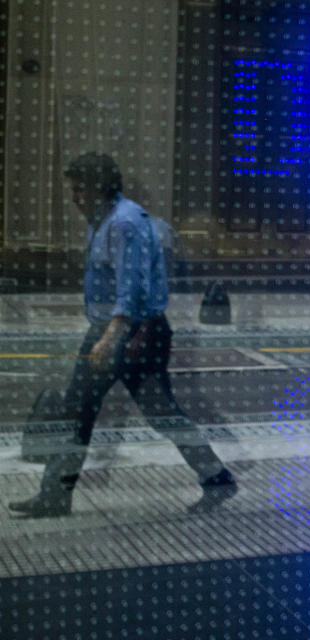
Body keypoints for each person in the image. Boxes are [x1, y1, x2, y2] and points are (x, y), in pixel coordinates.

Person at [9, 152, 236, 517]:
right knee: (145, 412)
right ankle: (215, 475)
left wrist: (113, 338)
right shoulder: (102, 220)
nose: (74, 198)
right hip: (119, 331)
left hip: (130, 334)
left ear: (99, 189)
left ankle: (55, 495)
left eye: (79, 190)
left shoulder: (124, 224)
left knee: (102, 411)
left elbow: (133, 288)